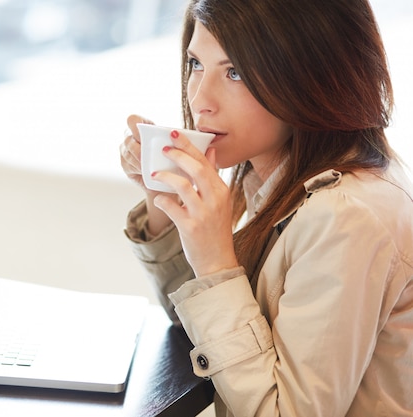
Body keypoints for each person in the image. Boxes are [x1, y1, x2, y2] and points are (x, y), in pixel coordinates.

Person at [119, 0, 413, 415]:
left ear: (311, 78)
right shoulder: (278, 179)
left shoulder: (346, 216)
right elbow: (196, 327)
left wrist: (217, 261)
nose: (201, 99)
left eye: (234, 72)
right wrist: (165, 200)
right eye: (196, 64)